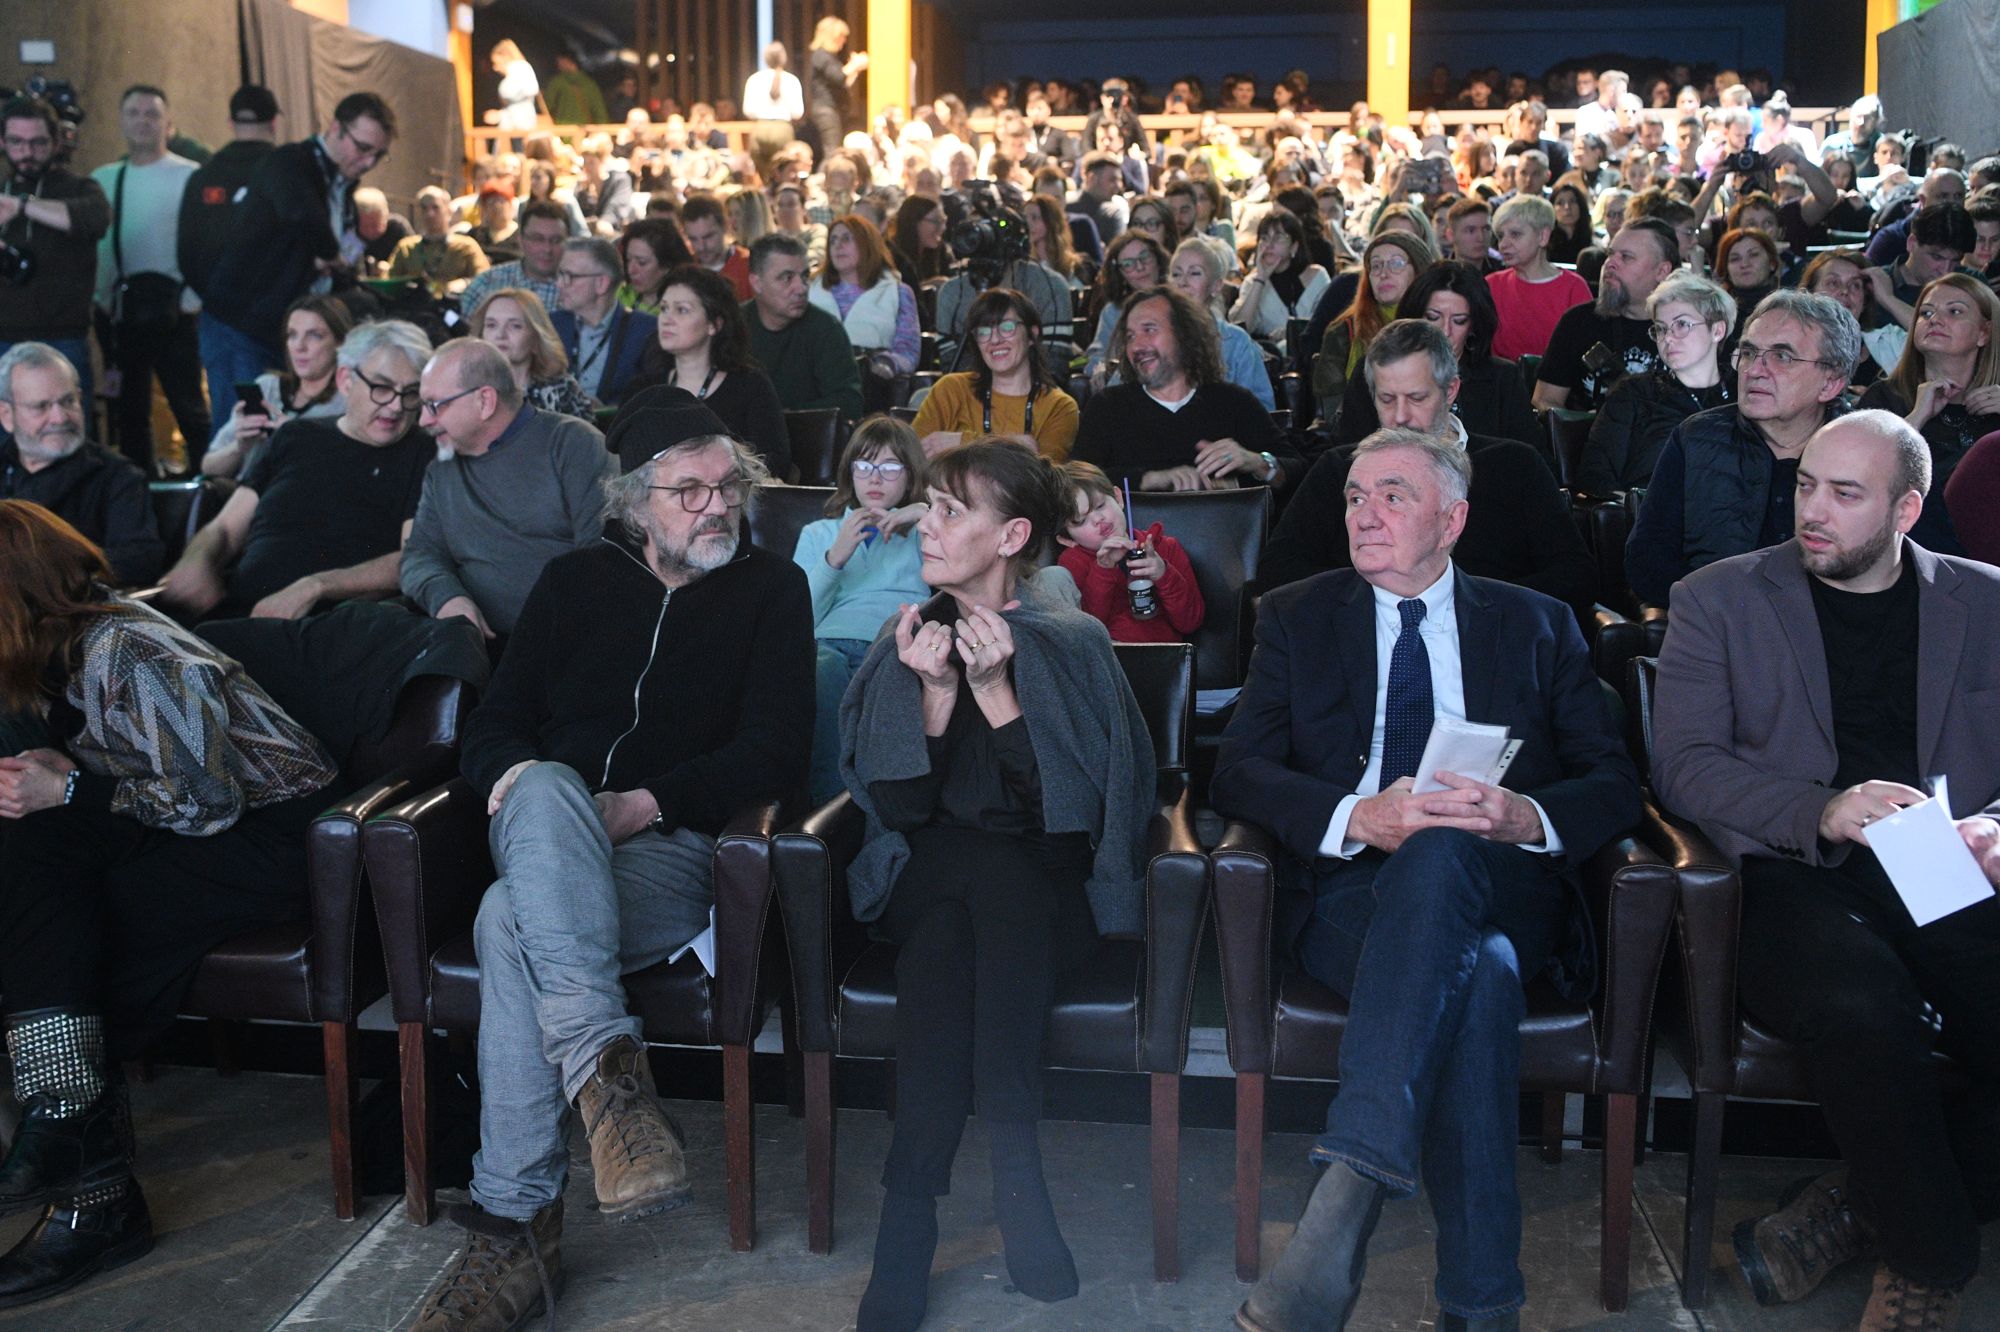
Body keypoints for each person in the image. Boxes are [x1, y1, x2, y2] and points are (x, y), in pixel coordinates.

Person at [1213, 424, 1639, 1332]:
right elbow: (1237, 769)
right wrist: (1358, 817)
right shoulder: (1297, 613)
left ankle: (1351, 1182)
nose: (1364, 516)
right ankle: (1482, 1307)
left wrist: (1524, 816)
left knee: (1447, 847)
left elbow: (1613, 780)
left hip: (1504, 884)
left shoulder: (1534, 622)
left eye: (1392, 497)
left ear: (1453, 519)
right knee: (1477, 979)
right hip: (1352, 895)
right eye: (1354, 498)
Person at [408, 400, 812, 1332]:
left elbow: (777, 751)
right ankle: (612, 1090)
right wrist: (527, 784)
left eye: (729, 488)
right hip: (550, 827)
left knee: (510, 925)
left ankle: (513, 1225)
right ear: (636, 503)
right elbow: (496, 725)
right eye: (690, 491)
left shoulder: (771, 590)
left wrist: (645, 804)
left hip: (671, 854)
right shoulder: (573, 583)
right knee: (542, 782)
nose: (717, 507)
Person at [1651, 411, 2000, 1332]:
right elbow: (1682, 762)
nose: (1815, 511)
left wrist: (1999, 827)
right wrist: (1821, 809)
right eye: (1808, 485)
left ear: (1908, 508)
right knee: (1860, 1009)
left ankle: (1857, 1207)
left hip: (1944, 862)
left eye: (1846, 495)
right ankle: (1929, 1262)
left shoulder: (1988, 599)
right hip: (1793, 866)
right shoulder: (1720, 596)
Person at [840, 439, 1153, 1332]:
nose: (924, 525)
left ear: (1012, 533)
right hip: (932, 879)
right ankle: (1021, 1181)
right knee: (968, 881)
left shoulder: (1071, 639)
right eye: (926, 506)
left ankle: (908, 1221)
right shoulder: (906, 638)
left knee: (979, 900)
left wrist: (999, 694)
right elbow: (892, 809)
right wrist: (937, 697)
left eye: (949, 510)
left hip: (1043, 899)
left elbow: (1076, 827)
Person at [0, 501, 339, 1309]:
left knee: (69, 920)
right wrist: (62, 775)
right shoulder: (67, 651)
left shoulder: (128, 645)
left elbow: (209, 799)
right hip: (199, 828)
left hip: (270, 839)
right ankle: (68, 1127)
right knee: (31, 864)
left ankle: (89, 1187)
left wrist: (72, 787)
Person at [1270, 319, 1595, 612]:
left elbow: (1573, 574)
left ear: (1450, 390)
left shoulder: (1514, 465)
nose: (1400, 417)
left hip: (1491, 643)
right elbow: (1279, 567)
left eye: (1416, 398)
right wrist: (1381, 599)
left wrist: (1466, 604)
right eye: (1386, 399)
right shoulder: (1340, 470)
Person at [158, 319, 434, 623]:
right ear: (346, 380)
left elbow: (413, 560)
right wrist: (197, 559)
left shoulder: (422, 454)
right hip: (236, 613)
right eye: (382, 388)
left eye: (410, 393)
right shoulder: (295, 437)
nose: (396, 407)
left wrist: (315, 587)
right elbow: (225, 529)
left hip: (329, 624)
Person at [1626, 290, 1860, 607]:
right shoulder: (1696, 438)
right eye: (1748, 353)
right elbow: (1647, 561)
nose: (1754, 370)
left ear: (1831, 382)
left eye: (1782, 357)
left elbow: (1919, 565)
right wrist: (1721, 612)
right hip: (1716, 628)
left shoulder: (1871, 450)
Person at [403, 337, 612, 645]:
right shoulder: (442, 469)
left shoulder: (572, 445)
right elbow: (419, 555)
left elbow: (606, 557)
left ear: (485, 401)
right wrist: (447, 599)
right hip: (475, 644)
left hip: (567, 641)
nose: (424, 420)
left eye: (435, 405)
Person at [200, 92, 394, 423]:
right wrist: (330, 254)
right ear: (335, 129)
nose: (368, 163)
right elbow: (301, 216)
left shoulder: (341, 187)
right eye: (362, 148)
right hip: (241, 323)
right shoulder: (290, 162)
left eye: (379, 155)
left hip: (283, 329)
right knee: (241, 428)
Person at [794, 415, 930, 805]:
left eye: (889, 467)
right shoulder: (818, 533)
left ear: (909, 475)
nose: (874, 478)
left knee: (886, 671)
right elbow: (799, 620)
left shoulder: (927, 530)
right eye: (864, 466)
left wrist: (920, 512)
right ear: (849, 471)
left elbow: (969, 520)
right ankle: (829, 808)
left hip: (892, 640)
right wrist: (833, 559)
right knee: (822, 668)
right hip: (829, 643)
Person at [1072, 286, 1298, 492]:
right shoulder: (1108, 408)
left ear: (1184, 335)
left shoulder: (1233, 402)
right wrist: (1149, 479)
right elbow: (1075, 484)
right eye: (1130, 336)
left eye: (1149, 330)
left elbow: (1297, 473)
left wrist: (1256, 462)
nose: (1137, 346)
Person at [89, 86, 207, 475]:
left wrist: (193, 298)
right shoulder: (105, 178)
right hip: (121, 315)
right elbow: (101, 247)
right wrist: (101, 299)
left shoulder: (190, 176)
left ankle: (207, 490)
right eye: (134, 113)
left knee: (188, 407)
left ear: (168, 123)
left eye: (152, 114)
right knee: (129, 414)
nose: (143, 121)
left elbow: (206, 244)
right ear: (121, 120)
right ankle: (140, 493)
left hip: (177, 313)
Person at [1856, 273, 2000, 555]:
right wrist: (1916, 418)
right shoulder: (1885, 396)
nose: (1934, 319)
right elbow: (1856, 476)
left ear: (1984, 333)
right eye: (1926, 312)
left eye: (1954, 311)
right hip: (1905, 548)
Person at [0, 344, 162, 585]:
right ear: (6, 415)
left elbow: (140, 560)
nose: (60, 417)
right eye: (41, 406)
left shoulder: (117, 477)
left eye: (68, 401)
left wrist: (46, 571)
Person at [1335, 262, 1540, 448]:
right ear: (1414, 317)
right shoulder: (1375, 370)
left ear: (1473, 327)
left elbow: (1531, 459)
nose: (1445, 330)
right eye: (1433, 317)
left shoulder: (1502, 378)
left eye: (1459, 320)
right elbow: (1349, 452)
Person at [1573, 271, 1736, 494]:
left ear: (1717, 330)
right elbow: (1595, 477)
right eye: (1660, 328)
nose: (1667, 338)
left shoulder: (1743, 394)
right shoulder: (1634, 393)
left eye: (1681, 325)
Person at [621, 264, 791, 475]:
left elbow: (774, 464)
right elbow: (624, 467)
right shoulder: (642, 390)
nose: (666, 319)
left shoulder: (749, 386)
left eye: (681, 310)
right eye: (664, 308)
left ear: (714, 324)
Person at [0, 96, 110, 402]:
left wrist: (21, 206)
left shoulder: (79, 188)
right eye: (17, 142)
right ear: (2, 142)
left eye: (38, 143)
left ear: (56, 141)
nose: (27, 154)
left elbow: (94, 218)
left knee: (68, 434)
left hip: (62, 338)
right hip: (3, 338)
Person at [1531, 218, 1679, 411]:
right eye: (1610, 253)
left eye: (1626, 257)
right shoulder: (1579, 321)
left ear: (1662, 271)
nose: (1610, 263)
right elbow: (1545, 400)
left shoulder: (1684, 327)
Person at [913, 288, 1079, 459]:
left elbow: (1042, 476)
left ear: (1032, 334)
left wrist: (962, 441)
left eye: (1007, 327)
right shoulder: (950, 389)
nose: (995, 340)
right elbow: (911, 458)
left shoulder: (1060, 407)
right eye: (984, 332)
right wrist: (1017, 445)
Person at [202, 294, 352, 480]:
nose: (299, 346)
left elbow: (347, 475)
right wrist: (240, 447)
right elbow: (208, 466)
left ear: (341, 342)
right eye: (292, 335)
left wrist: (299, 439)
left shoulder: (348, 400)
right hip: (244, 498)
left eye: (314, 336)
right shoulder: (267, 387)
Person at [1055, 459, 1203, 643]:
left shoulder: (1166, 547)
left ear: (1118, 497)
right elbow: (1088, 632)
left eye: (1100, 505)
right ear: (1067, 539)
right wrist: (1103, 570)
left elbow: (1190, 622)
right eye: (1080, 521)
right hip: (1109, 660)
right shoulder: (1071, 564)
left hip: (1161, 659)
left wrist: (1163, 573)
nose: (1098, 519)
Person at [176, 85, 280, 310]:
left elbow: (186, 250)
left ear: (231, 123)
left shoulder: (203, 176)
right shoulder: (288, 174)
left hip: (219, 313)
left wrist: (213, 297)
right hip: (274, 313)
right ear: (273, 124)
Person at [742, 233, 865, 420]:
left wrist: (782, 417)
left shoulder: (826, 329)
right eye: (787, 278)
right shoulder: (734, 326)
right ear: (757, 283)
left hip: (809, 441)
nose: (801, 288)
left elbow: (849, 401)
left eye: (805, 276)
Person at [1315, 231, 1434, 419]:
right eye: (1376, 265)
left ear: (1419, 271)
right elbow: (1332, 412)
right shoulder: (1343, 332)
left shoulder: (1439, 322)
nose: (1383, 274)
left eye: (1396, 263)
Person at [1168, 235, 1277, 409]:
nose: (1183, 282)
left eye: (1194, 273)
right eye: (1176, 274)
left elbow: (1261, 411)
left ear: (1216, 286)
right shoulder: (1150, 335)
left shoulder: (1236, 342)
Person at [1483, 195, 1591, 363]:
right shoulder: (1491, 285)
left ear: (1543, 236)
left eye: (1515, 234)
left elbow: (1583, 351)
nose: (1503, 244)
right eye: (1500, 236)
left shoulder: (1574, 287)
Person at [551, 237, 656, 407]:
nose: (559, 284)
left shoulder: (646, 331)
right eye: (560, 274)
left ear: (601, 283)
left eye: (569, 276)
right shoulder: (552, 325)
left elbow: (649, 401)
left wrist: (606, 410)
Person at [812, 215, 920, 379]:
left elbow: (907, 350)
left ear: (866, 245)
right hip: (816, 374)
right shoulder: (810, 290)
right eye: (832, 240)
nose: (837, 245)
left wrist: (887, 365)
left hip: (873, 377)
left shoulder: (898, 292)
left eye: (846, 238)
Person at [1231, 209, 1333, 345]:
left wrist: (1292, 332)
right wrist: (1260, 279)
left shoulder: (1317, 276)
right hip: (1270, 356)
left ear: (1294, 247)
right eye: (1265, 238)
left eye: (1278, 238)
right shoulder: (1252, 282)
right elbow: (1239, 330)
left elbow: (1328, 324)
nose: (1270, 245)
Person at [459, 200, 572, 320]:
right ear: (520, 240)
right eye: (537, 239)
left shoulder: (580, 290)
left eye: (556, 240)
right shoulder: (487, 284)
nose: (547, 249)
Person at [1082, 231, 1169, 382]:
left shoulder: (1179, 303)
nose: (1140, 267)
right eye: (1128, 264)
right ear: (1120, 274)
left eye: (1144, 257)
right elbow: (1096, 356)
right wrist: (1102, 368)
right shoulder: (1113, 312)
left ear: (1157, 258)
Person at [387, 187, 490, 298]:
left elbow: (485, 278)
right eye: (424, 208)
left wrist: (465, 283)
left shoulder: (465, 246)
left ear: (449, 212)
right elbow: (389, 281)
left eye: (436, 208)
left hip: (454, 305)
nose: (429, 214)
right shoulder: (406, 247)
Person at [807, 16, 869, 160]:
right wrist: (855, 64)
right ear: (832, 36)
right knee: (832, 151)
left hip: (833, 109)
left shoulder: (829, 57)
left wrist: (856, 69)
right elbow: (839, 76)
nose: (844, 40)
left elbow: (843, 83)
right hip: (826, 110)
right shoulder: (821, 56)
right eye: (842, 36)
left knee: (834, 148)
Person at [743, 42, 807, 179]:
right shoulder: (792, 80)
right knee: (783, 170)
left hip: (760, 129)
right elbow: (798, 113)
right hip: (783, 129)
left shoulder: (754, 79)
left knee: (764, 174)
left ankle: (767, 189)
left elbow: (748, 111)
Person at [681, 193, 753, 301]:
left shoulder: (749, 265)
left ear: (725, 226)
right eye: (693, 239)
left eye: (708, 237)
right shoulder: (684, 271)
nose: (701, 247)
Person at [616, 216, 694, 314]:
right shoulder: (618, 296)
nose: (631, 270)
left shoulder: (684, 309)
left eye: (642, 263)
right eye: (628, 260)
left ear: (666, 266)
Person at [1716, 228, 1780, 334]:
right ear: (1726, 270)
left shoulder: (1788, 308)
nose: (1745, 264)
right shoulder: (1717, 314)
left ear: (1772, 263)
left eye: (1754, 254)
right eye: (1735, 259)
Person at [572, 136, 635, 237]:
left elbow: (617, 207)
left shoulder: (619, 180)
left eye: (591, 163)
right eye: (585, 163)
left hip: (613, 232)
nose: (587, 168)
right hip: (586, 233)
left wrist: (604, 223)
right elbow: (576, 213)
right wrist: (582, 192)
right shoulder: (581, 185)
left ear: (601, 161)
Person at [1068, 152, 1131, 254]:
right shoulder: (1112, 213)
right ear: (1091, 178)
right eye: (1112, 180)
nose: (1118, 186)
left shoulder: (1065, 205)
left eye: (1119, 180)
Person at [886, 195, 951, 283]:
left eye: (943, 220)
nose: (943, 227)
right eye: (937, 221)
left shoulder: (940, 251)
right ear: (913, 222)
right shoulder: (893, 258)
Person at [487, 40, 540, 134]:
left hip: (519, 125)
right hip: (517, 123)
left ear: (505, 56)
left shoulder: (519, 69)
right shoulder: (519, 70)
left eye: (496, 63)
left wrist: (500, 115)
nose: (495, 68)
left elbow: (530, 89)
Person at [543, 52, 608, 127]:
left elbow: (547, 106)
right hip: (584, 130)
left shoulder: (558, 82)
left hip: (563, 130)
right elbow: (599, 111)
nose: (558, 65)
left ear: (566, 60)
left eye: (559, 61)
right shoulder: (590, 83)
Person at [464, 184, 524, 265]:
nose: (497, 206)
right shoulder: (474, 234)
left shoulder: (523, 235)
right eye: (491, 202)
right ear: (484, 208)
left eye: (501, 201)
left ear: (510, 205)